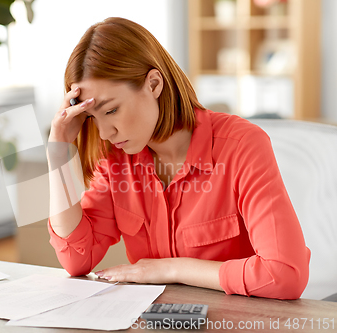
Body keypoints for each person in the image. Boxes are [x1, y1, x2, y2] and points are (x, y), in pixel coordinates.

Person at [46, 17, 310, 300]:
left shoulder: (242, 145)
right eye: (91, 117)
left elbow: (285, 275)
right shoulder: (114, 158)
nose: (105, 132)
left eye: (111, 111)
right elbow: (75, 260)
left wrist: (172, 269)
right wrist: (58, 150)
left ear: (154, 84)